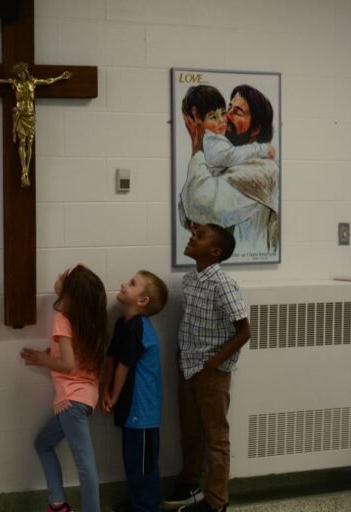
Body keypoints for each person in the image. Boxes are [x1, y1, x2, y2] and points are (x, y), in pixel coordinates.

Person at [163, 224, 251, 512]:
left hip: (211, 372)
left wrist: (214, 363)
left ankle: (217, 500)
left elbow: (244, 331)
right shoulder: (190, 280)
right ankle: (190, 482)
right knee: (190, 430)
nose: (192, 237)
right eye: (194, 233)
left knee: (215, 436)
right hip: (188, 365)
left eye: (200, 236)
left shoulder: (222, 283)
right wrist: (182, 351)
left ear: (215, 252)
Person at [21, 264, 108, 512]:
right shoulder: (90, 320)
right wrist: (53, 353)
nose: (58, 277)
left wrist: (42, 359)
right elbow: (77, 358)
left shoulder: (63, 319)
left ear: (70, 295)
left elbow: (68, 365)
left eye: (63, 277)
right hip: (83, 397)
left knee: (84, 463)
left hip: (72, 401)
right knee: (42, 443)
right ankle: (58, 504)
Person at [178, 85, 279, 255]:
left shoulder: (264, 170)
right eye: (228, 108)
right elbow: (186, 214)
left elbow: (202, 207)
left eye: (237, 112)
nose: (227, 117)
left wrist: (197, 150)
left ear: (255, 129)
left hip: (246, 260)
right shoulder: (221, 157)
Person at [102, 270, 169, 512]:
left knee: (143, 466)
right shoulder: (123, 323)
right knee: (132, 461)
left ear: (142, 301)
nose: (123, 284)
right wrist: (104, 391)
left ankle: (148, 507)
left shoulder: (138, 327)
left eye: (131, 284)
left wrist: (113, 395)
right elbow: (111, 358)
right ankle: (138, 504)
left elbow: (124, 366)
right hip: (132, 409)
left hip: (143, 411)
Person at [0, 62, 71, 187]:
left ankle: (26, 169)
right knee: (22, 141)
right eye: (18, 74)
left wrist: (61, 77)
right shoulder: (15, 83)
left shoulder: (32, 82)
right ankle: (24, 171)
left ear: (25, 72)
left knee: (30, 142)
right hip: (21, 116)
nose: (20, 75)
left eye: (21, 73)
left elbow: (48, 81)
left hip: (30, 116)